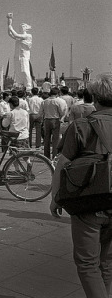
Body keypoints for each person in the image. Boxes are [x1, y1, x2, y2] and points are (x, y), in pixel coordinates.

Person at [50, 73, 112, 298]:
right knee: (107, 262)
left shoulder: (81, 125)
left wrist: (56, 197)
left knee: (87, 263)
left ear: (94, 97)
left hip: (89, 200)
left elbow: (62, 165)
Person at [38, 88, 67, 159]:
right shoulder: (58, 101)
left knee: (46, 138)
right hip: (55, 120)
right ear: (57, 94)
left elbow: (40, 112)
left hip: (46, 120)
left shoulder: (44, 101)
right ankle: (54, 155)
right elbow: (61, 112)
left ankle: (46, 156)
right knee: (55, 139)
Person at [7, 13, 33, 88]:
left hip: (24, 57)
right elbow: (10, 34)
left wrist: (11, 27)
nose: (21, 27)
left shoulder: (28, 36)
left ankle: (28, 86)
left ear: (26, 28)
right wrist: (9, 21)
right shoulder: (19, 38)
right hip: (17, 57)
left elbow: (15, 35)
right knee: (18, 73)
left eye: (23, 26)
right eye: (20, 26)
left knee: (25, 71)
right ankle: (20, 86)